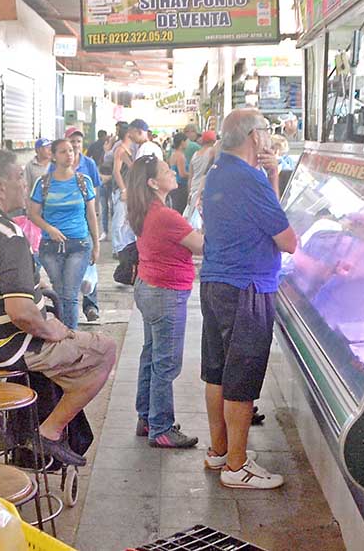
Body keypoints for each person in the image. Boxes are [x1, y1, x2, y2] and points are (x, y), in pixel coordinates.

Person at [0, 150, 117, 467]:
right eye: (20, 177)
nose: (25, 184)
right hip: (4, 349)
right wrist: (53, 329)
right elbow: (21, 313)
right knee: (104, 350)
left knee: (57, 342)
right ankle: (48, 432)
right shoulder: (8, 235)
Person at [198, 109, 298, 490]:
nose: (270, 137)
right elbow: (287, 240)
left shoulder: (219, 171)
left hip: (216, 282)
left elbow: (263, 218)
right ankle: (237, 467)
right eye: (267, 131)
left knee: (218, 371)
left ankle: (220, 451)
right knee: (242, 377)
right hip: (247, 287)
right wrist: (268, 178)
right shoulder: (247, 179)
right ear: (254, 137)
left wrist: (271, 175)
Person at [126, 154, 203, 449]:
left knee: (151, 356)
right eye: (165, 171)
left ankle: (146, 418)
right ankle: (161, 428)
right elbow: (201, 246)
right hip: (165, 293)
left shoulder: (147, 209)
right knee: (165, 363)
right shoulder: (165, 215)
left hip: (149, 287)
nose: (173, 172)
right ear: (152, 182)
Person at [29, 138, 100, 328]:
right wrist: (49, 229)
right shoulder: (43, 183)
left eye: (71, 150)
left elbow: (91, 215)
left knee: (70, 293)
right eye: (62, 151)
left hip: (79, 244)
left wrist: (96, 245)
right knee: (60, 293)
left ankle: (71, 337)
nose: (69, 154)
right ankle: (63, 337)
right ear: (53, 156)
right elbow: (33, 214)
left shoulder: (83, 182)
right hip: (50, 247)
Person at [61, 128, 105, 319]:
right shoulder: (58, 166)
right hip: (64, 221)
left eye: (79, 141)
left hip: (86, 219)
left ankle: (90, 306)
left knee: (89, 260)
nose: (76, 145)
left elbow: (95, 190)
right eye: (73, 141)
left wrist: (95, 214)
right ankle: (67, 307)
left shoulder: (89, 164)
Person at [110, 119, 163, 252]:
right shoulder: (151, 147)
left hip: (144, 194)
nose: (131, 137)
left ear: (139, 131)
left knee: (130, 223)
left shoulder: (145, 149)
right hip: (147, 193)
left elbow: (140, 174)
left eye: (132, 133)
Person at [183, 129, 218, 220]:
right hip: (204, 189)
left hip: (194, 188)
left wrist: (189, 192)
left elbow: (191, 176)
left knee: (193, 219)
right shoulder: (212, 151)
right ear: (213, 141)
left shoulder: (195, 154)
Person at [168, 133, 190, 214]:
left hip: (175, 187)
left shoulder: (173, 154)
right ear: (182, 142)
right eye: (186, 141)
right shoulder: (180, 156)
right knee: (181, 210)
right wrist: (193, 174)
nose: (188, 144)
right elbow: (182, 174)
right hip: (181, 187)